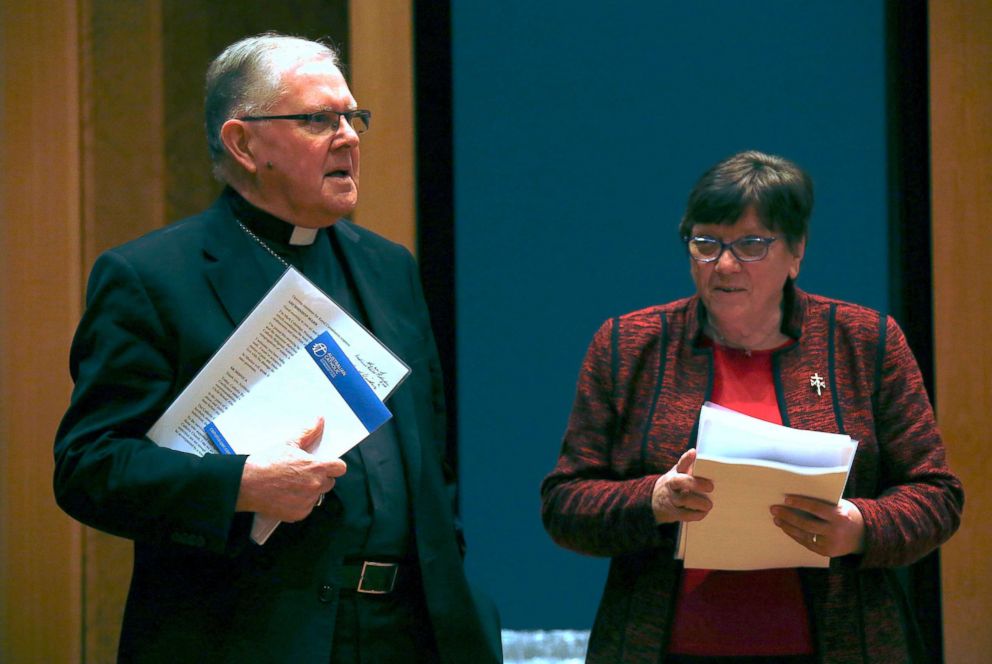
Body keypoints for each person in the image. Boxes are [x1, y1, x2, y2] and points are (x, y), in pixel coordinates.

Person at [54, 32, 500, 663]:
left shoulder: (388, 266)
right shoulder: (153, 277)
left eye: (353, 117)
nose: (348, 136)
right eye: (318, 119)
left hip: (413, 630)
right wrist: (239, 485)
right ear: (242, 143)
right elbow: (88, 469)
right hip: (256, 634)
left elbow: (429, 458)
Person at [541, 150, 963, 663]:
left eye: (751, 245)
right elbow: (564, 503)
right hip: (662, 647)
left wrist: (859, 527)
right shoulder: (629, 345)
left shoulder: (864, 342)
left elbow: (937, 495)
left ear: (796, 253)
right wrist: (653, 499)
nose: (723, 264)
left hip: (838, 644)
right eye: (706, 243)